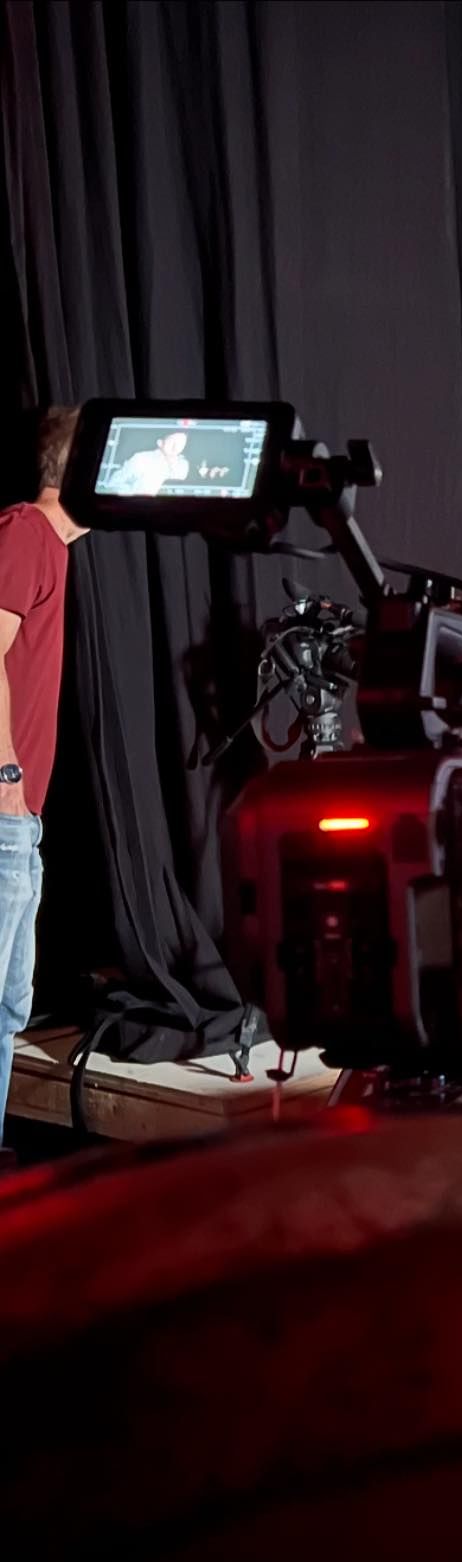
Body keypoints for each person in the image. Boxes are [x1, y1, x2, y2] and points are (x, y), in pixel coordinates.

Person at [0, 406, 87, 1144]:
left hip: (21, 817)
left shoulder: (51, 548)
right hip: (3, 808)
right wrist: (5, 773)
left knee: (9, 1007)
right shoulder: (26, 532)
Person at [111, 429, 188, 496]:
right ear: (160, 442)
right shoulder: (141, 458)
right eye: (172, 441)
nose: (176, 447)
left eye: (181, 443)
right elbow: (115, 482)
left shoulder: (183, 465)